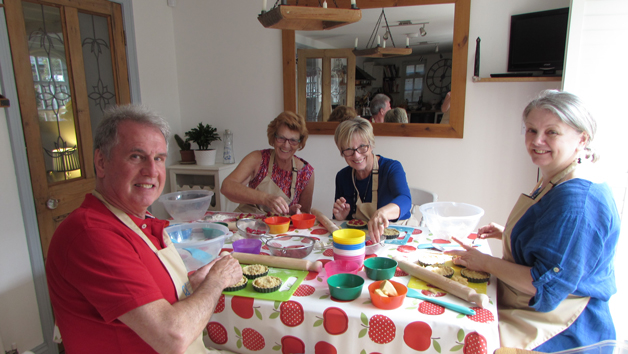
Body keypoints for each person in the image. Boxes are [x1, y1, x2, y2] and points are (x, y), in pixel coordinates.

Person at [45, 105, 243, 354]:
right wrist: (217, 280)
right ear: (101, 162)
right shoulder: (91, 233)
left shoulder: (141, 222)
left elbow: (151, 296)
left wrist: (196, 282)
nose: (151, 171)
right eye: (136, 156)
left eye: (159, 158)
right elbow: (174, 337)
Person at [447, 90, 620, 352]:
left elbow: (543, 284)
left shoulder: (578, 200)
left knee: (459, 337)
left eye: (552, 132)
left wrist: (483, 261)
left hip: (564, 326)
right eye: (531, 130)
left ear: (581, 139)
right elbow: (557, 243)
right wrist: (508, 234)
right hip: (536, 309)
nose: (537, 141)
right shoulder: (558, 175)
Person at [332, 118, 412, 242]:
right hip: (364, 239)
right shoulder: (342, 177)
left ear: (371, 145)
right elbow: (341, 222)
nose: (357, 155)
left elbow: (406, 200)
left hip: (397, 235)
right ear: (342, 152)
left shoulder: (391, 168)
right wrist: (342, 217)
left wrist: (383, 213)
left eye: (362, 147)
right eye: (349, 149)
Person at [221, 111, 315, 215]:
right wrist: (265, 198)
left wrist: (292, 212)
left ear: (299, 143)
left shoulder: (306, 173)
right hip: (248, 224)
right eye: (281, 138)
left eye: (293, 140)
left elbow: (304, 215)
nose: (286, 145)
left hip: (279, 229)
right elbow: (227, 186)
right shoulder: (258, 159)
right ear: (273, 138)